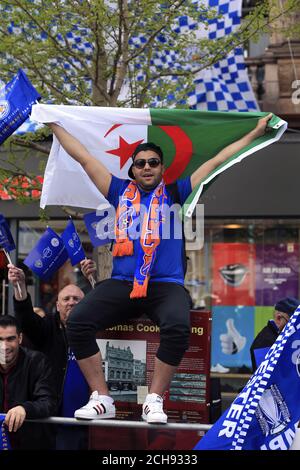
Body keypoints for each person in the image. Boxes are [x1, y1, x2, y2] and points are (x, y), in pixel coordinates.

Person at [48, 114, 272, 424]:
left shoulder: (177, 193)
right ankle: (102, 398)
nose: (147, 167)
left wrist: (255, 132)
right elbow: (84, 158)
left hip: (165, 284)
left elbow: (219, 160)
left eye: (153, 162)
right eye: (140, 163)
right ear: (133, 169)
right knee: (77, 322)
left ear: (162, 168)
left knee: (179, 328)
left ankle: (154, 400)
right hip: (124, 282)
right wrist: (52, 124)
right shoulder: (118, 192)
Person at [7, 265, 89, 449]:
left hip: (92, 422)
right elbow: (27, 319)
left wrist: (92, 279)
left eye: (76, 299)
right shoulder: (48, 329)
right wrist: (20, 287)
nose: (71, 302)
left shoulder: (96, 330)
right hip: (53, 422)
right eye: (66, 299)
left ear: (86, 304)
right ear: (57, 305)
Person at [0, 315, 57, 450]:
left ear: (20, 338)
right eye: (0, 339)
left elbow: (48, 402)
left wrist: (25, 408)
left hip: (29, 443)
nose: (4, 346)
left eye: (10, 339)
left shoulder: (37, 361)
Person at [250, 296, 300, 372]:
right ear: (279, 318)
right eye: (294, 323)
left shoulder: (283, 337)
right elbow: (265, 376)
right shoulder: (264, 342)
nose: (296, 328)